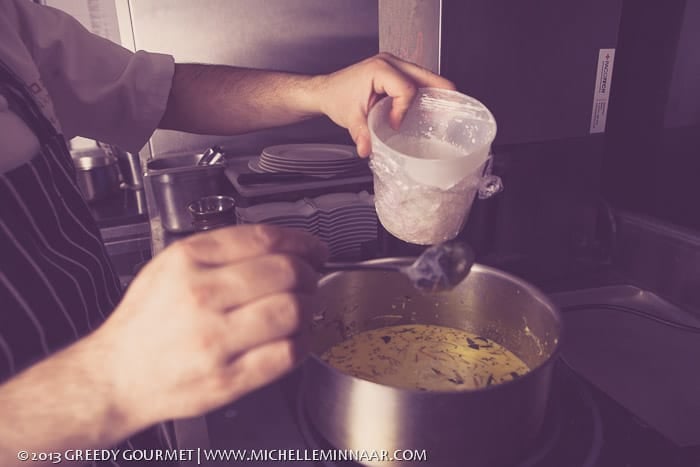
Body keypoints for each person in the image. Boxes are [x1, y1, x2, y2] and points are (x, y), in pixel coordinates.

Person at [0, 0, 456, 465]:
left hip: (125, 417)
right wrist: (109, 379)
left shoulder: (9, 21)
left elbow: (148, 92)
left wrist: (321, 92)